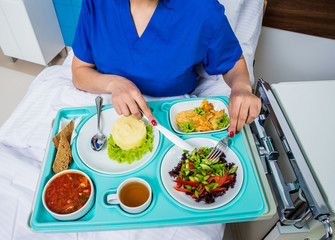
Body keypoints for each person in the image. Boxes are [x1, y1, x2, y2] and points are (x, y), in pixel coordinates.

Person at [71, 0, 261, 139]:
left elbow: (233, 63)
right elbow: (80, 71)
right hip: (109, 111)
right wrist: (115, 84)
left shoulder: (202, 10)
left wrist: (242, 88)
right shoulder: (96, 4)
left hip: (172, 115)